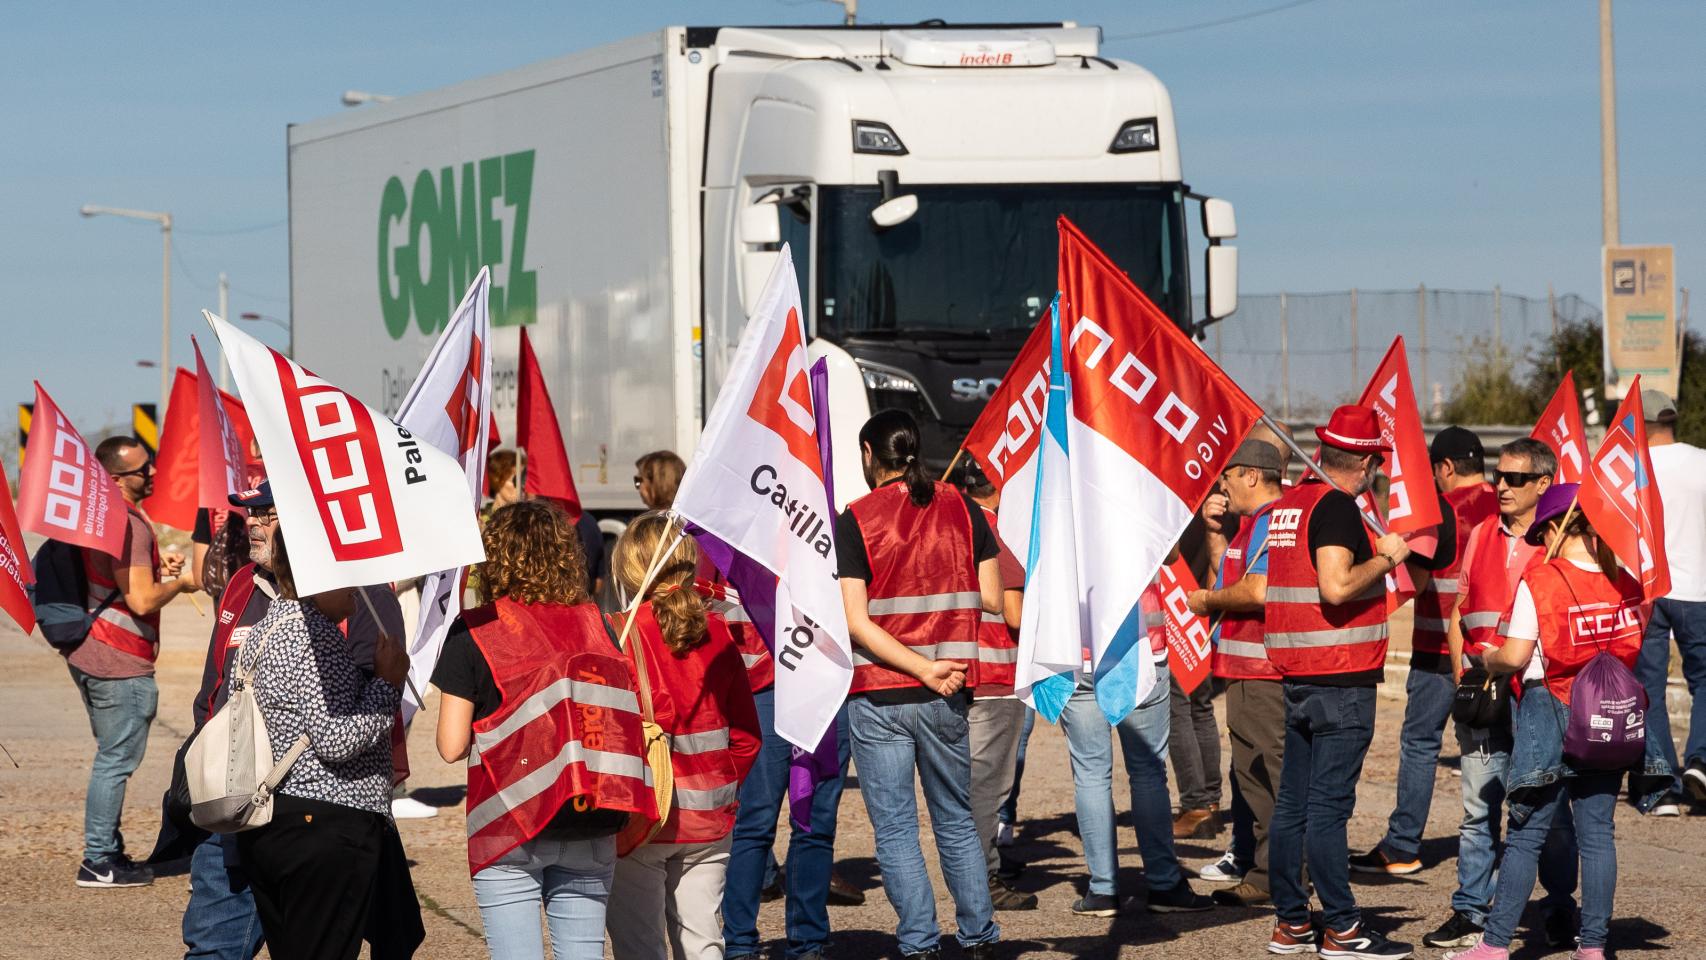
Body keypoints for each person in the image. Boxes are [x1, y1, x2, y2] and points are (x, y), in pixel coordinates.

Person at [1446, 484, 1670, 960]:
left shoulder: (1543, 579)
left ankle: (1494, 944)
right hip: (1609, 718)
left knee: (1526, 834)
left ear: (1555, 528)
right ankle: (1593, 947)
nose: (1539, 545)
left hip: (1550, 711)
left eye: (1541, 535)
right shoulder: (1629, 581)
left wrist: (1487, 659)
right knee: (1598, 836)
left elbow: (1516, 655)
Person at [432, 499, 652, 960]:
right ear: (566, 555)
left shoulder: (474, 630)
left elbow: (451, 747)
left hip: (510, 823)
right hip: (590, 811)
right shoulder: (599, 626)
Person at [836, 410, 1002, 958]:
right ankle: (978, 939)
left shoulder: (855, 518)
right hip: (948, 688)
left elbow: (856, 621)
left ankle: (919, 945)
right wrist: (935, 663)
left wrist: (915, 665)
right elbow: (993, 599)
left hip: (879, 694)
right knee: (955, 820)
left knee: (897, 831)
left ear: (868, 454)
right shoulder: (965, 507)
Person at [1263, 405, 1412, 959]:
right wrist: (1388, 557)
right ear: (1369, 462)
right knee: (1327, 809)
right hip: (1340, 677)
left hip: (1299, 674)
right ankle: (1343, 929)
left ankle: (1291, 923)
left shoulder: (1290, 505)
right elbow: (1336, 586)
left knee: (1294, 807)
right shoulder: (1338, 508)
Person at [1419, 438, 1580, 950]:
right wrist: (1459, 675)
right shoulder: (1483, 532)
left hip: (1538, 696)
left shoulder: (1556, 542)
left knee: (1545, 808)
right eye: (1499, 477)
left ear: (1542, 485)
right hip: (1483, 691)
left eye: (1514, 479)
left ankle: (1559, 906)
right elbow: (1460, 607)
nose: (1501, 487)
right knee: (1477, 805)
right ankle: (1470, 910)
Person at [234, 529, 412, 960]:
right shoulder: (315, 634)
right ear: (318, 576)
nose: (354, 586)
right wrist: (387, 684)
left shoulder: (263, 629)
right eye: (345, 574)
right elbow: (334, 738)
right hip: (325, 824)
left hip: (274, 820)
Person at [607, 512, 762, 960]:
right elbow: (748, 734)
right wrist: (725, 783)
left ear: (628, 571)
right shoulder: (719, 633)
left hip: (645, 816)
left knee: (640, 946)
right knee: (703, 940)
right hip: (711, 815)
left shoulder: (619, 635)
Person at [1353, 425, 1495, 877]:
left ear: (1446, 468)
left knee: (1420, 744)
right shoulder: (1511, 505)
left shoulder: (1440, 513)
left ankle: (1402, 845)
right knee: (1491, 750)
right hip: (1499, 652)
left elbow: (1410, 574)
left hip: (1437, 650)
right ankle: (1498, 842)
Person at [67, 436, 196, 888]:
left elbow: (123, 578)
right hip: (119, 658)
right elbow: (140, 599)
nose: (154, 473)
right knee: (115, 760)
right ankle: (98, 860)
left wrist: (161, 566)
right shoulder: (128, 523)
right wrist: (181, 584)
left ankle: (109, 850)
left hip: (92, 652)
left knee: (111, 756)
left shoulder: (103, 514)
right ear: (118, 477)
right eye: (145, 469)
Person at [715, 577, 856, 960]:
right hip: (761, 687)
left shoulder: (826, 522)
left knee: (816, 821)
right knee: (755, 822)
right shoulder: (739, 526)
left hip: (824, 683)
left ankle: (808, 941)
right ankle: (740, 942)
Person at [1186, 437, 1287, 907]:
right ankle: (1264, 868)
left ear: (1251, 474)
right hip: (1241, 668)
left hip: (1263, 670)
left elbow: (1256, 590)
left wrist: (1207, 602)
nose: (1222, 486)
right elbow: (1223, 582)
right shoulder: (1247, 529)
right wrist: (1214, 535)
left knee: (1269, 777)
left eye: (1227, 476)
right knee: (1250, 776)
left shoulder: (1273, 525)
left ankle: (1275, 877)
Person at [953, 458, 1035, 911]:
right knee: (987, 789)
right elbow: (1016, 613)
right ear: (999, 492)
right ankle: (981, 881)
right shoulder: (999, 536)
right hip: (996, 679)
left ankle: (974, 870)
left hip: (959, 675)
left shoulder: (952, 527)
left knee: (964, 784)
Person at [1635, 389, 1706, 809]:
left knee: (1650, 689)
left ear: (1638, 425)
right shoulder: (1701, 461)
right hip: (1698, 590)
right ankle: (1699, 761)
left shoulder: (1630, 469)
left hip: (1645, 592)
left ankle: (1662, 789)